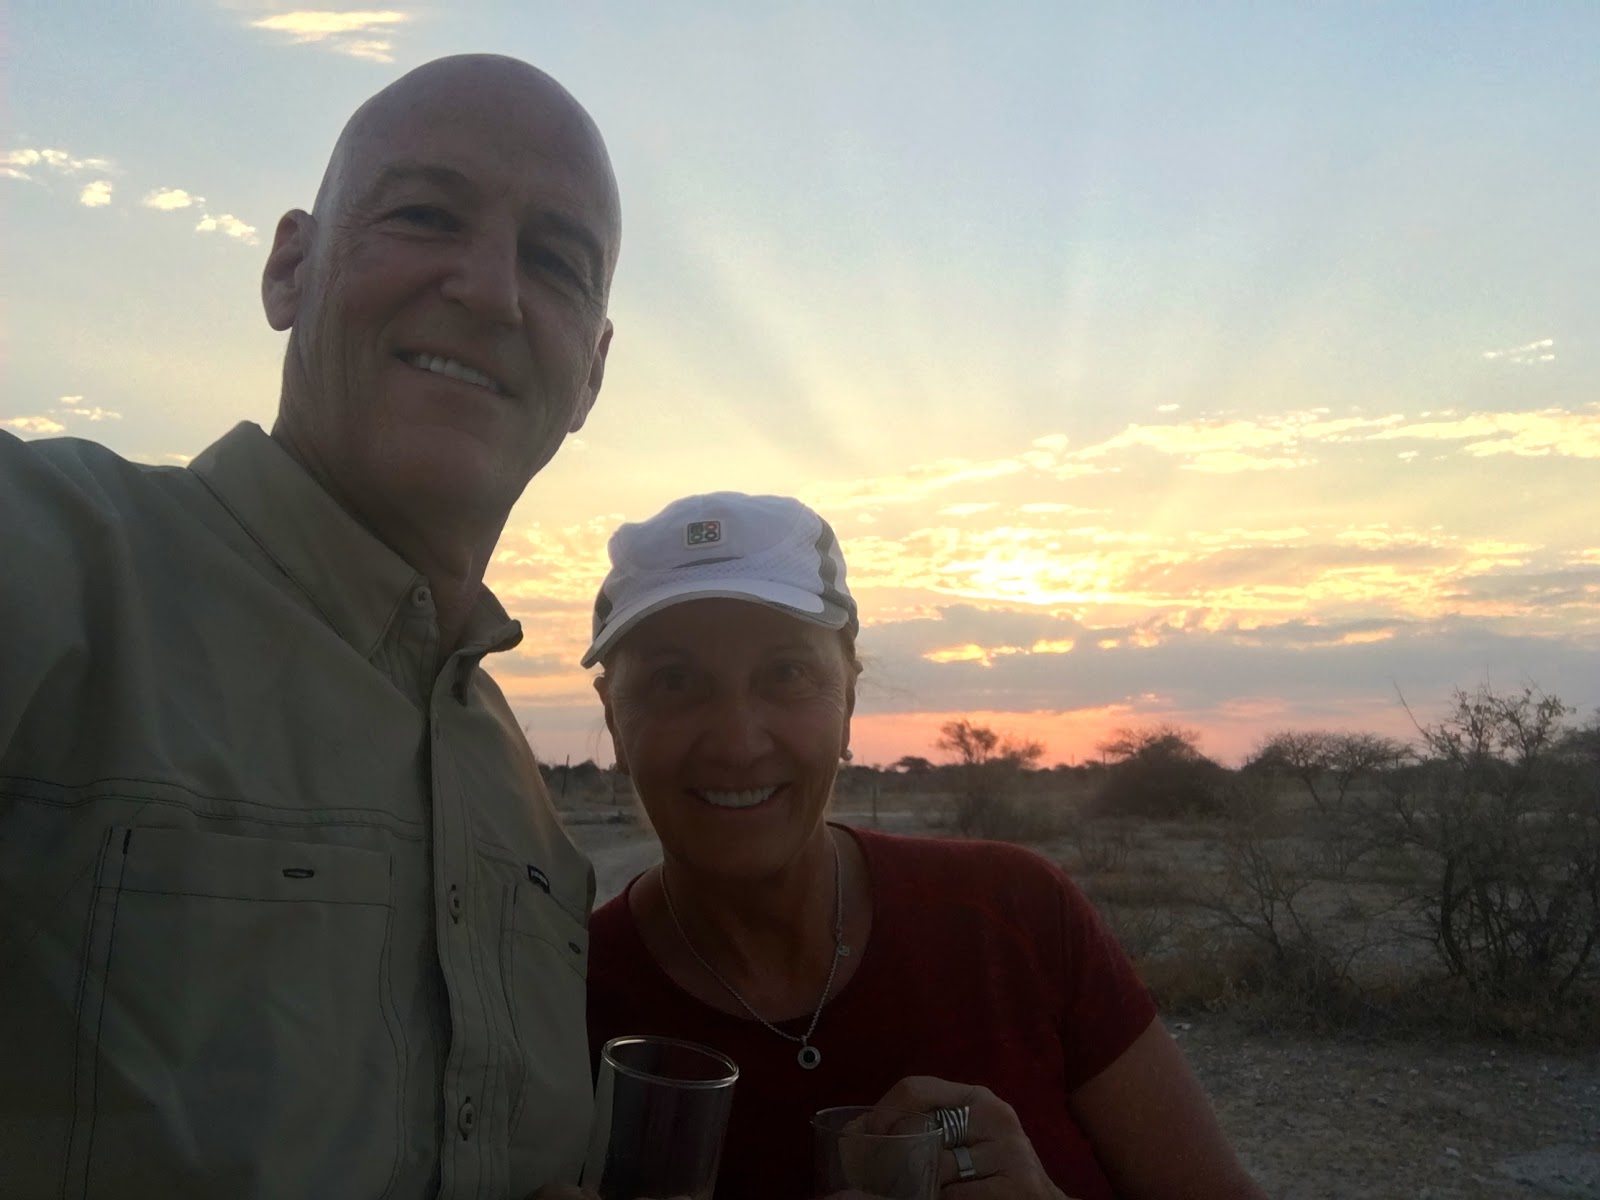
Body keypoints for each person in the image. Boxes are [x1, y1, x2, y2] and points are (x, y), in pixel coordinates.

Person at [0, 54, 620, 1198]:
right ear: (291, 267)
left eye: (556, 261)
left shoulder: (528, 813)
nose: (491, 290)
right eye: (426, 215)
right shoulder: (56, 558)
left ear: (591, 373)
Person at [582, 492, 1266, 1199]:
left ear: (849, 701)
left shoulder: (1014, 915)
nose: (737, 742)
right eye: (673, 681)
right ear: (613, 718)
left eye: (786, 673)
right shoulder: (557, 1001)